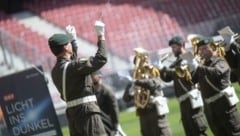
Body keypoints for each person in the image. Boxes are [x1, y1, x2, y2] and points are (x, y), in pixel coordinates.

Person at [48, 20, 107, 136]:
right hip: (87, 112)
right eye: (68, 43)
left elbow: (70, 65)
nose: (70, 44)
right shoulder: (73, 67)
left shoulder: (55, 71)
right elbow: (101, 59)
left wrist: (73, 42)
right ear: (65, 47)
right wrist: (101, 36)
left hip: (73, 116)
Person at [158, 36, 208, 136]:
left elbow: (178, 72)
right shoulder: (175, 61)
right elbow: (168, 78)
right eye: (172, 48)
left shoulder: (189, 57)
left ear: (183, 45)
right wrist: (160, 70)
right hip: (183, 101)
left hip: (192, 98)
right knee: (189, 130)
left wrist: (164, 67)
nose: (173, 50)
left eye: (175, 47)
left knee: (198, 128)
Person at [190, 37, 240, 136]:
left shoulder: (220, 60)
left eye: (205, 48)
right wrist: (191, 67)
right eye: (200, 50)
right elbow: (192, 80)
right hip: (210, 108)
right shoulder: (202, 65)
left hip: (225, 106)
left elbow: (217, 72)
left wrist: (198, 66)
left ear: (212, 47)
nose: (202, 51)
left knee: (234, 132)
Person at [91, 70, 126, 136]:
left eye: (93, 74)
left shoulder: (107, 91)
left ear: (99, 76)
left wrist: (115, 126)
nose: (91, 77)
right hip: (98, 126)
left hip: (109, 126)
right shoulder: (91, 93)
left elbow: (114, 109)